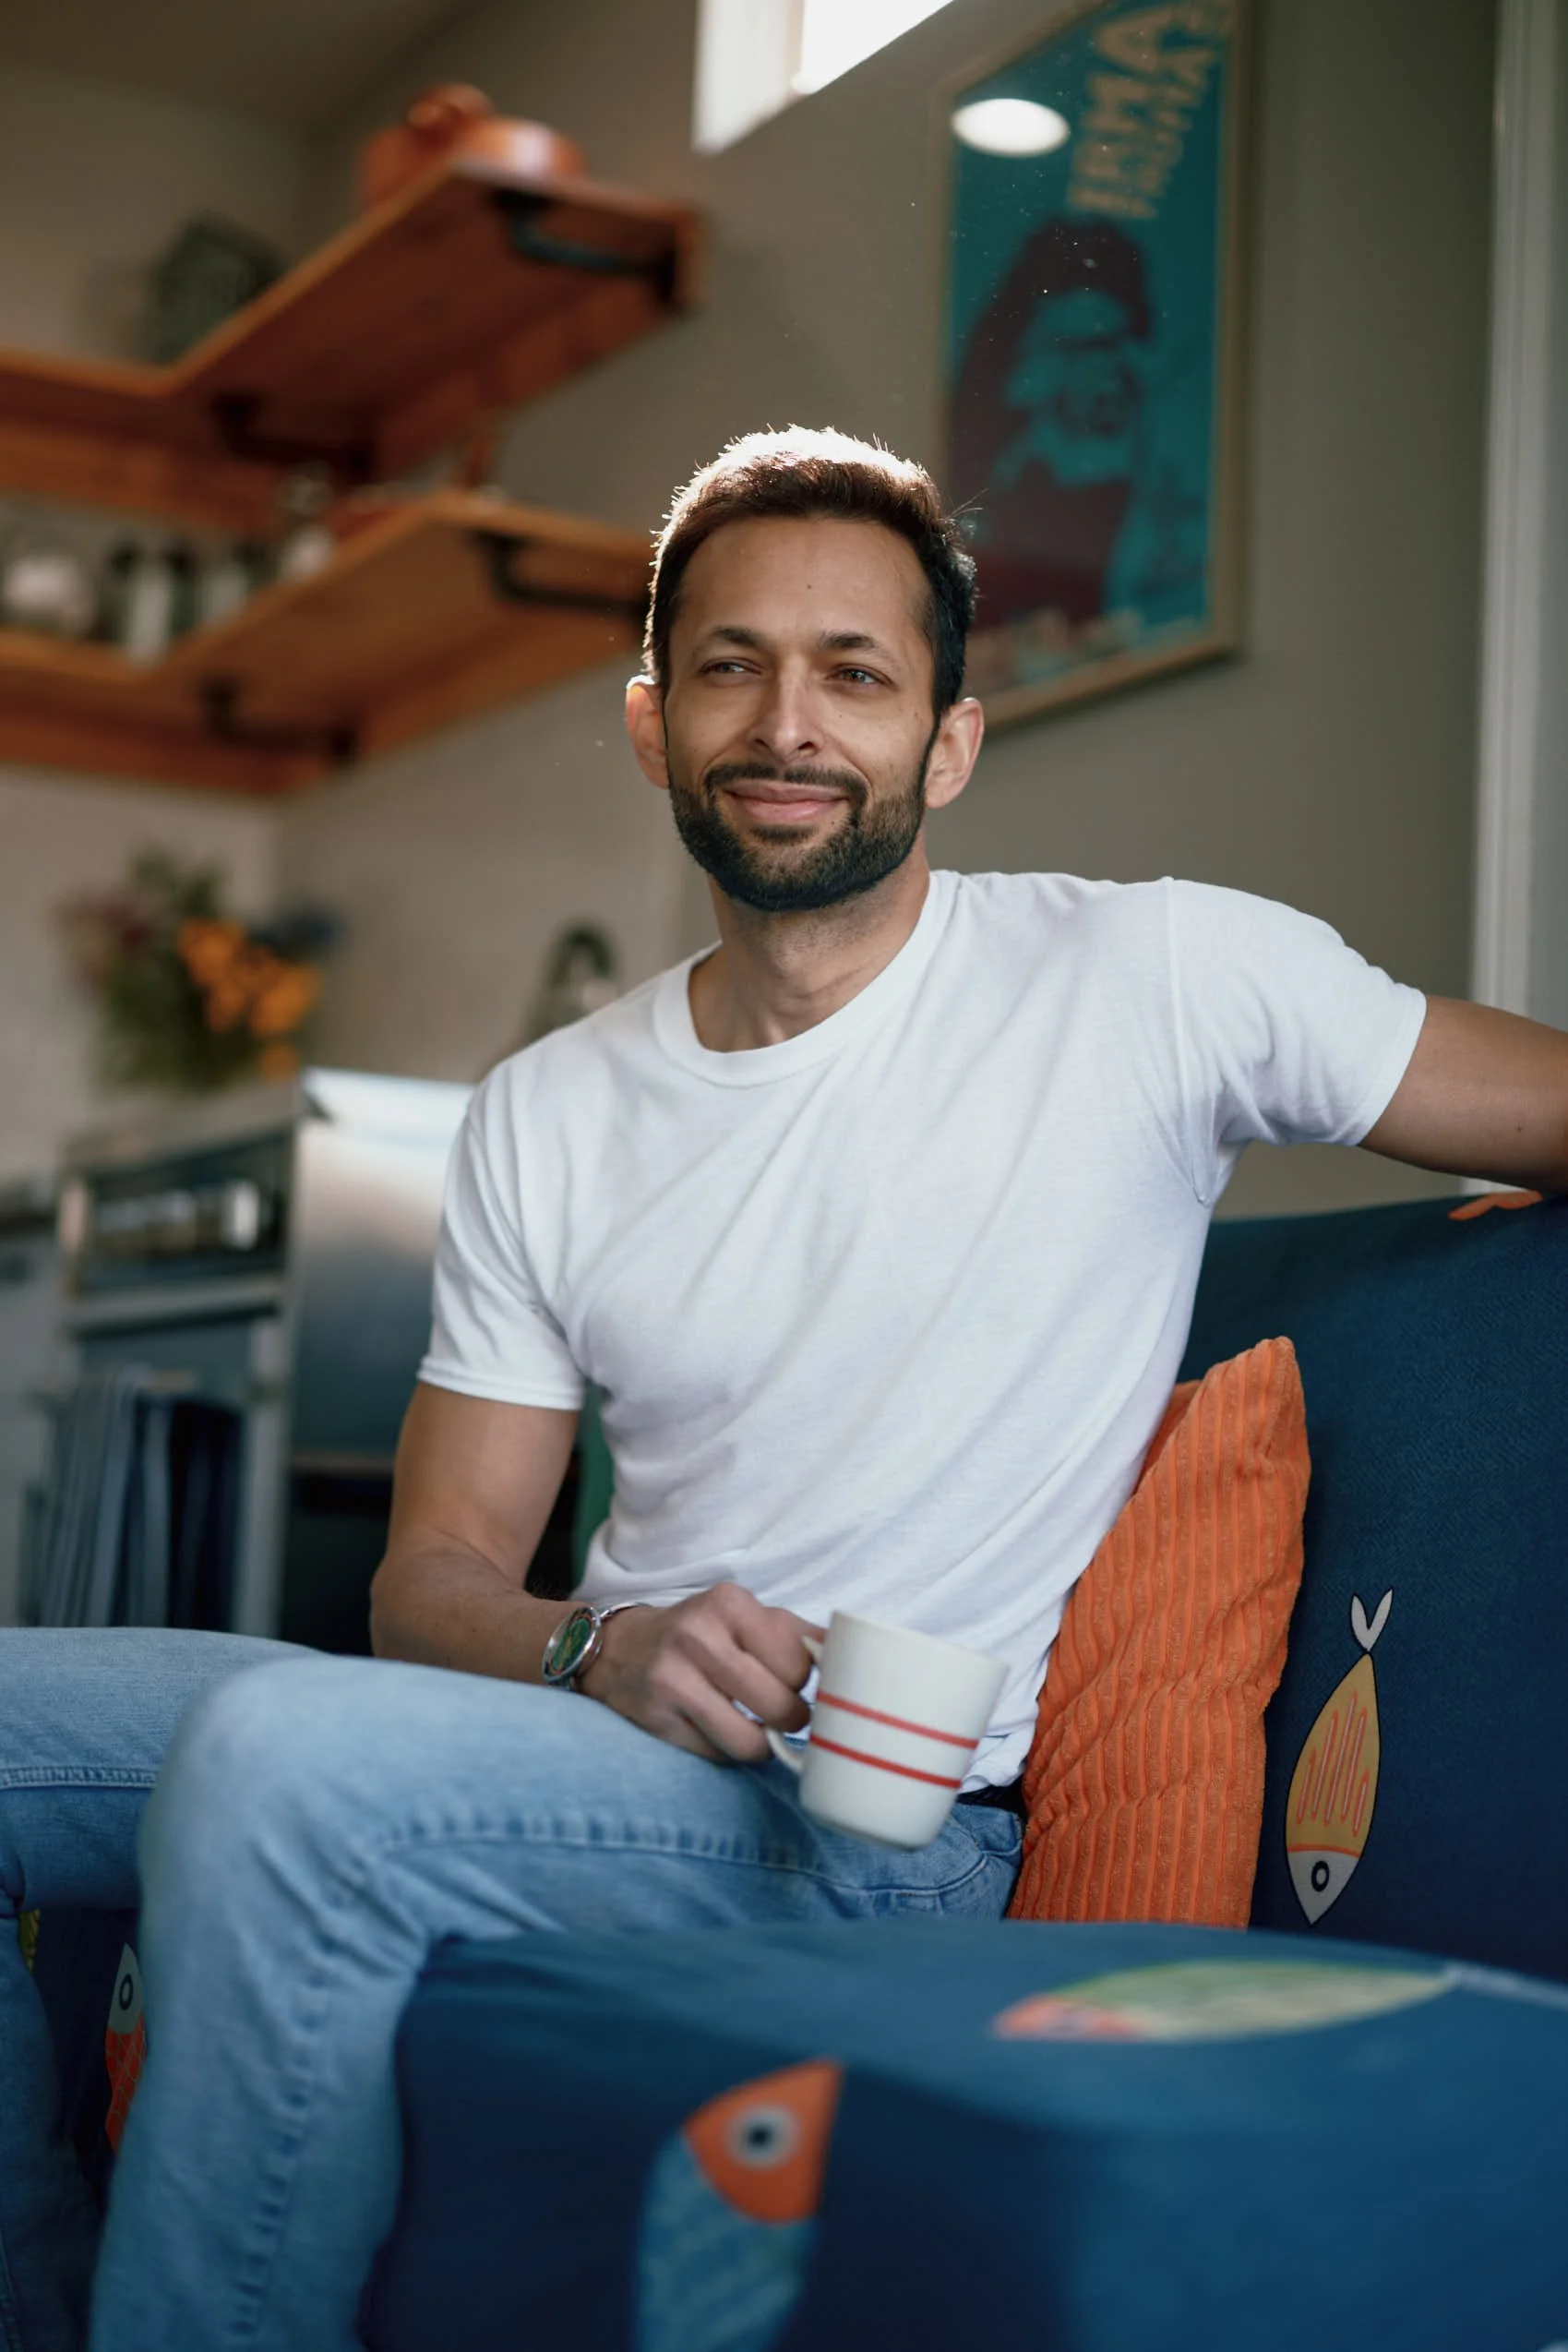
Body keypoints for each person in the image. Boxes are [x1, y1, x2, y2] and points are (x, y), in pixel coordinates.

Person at [2, 426, 1565, 2352]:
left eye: (855, 672)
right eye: (731, 665)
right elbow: (434, 1580)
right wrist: (601, 1648)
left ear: (951, 740)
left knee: (280, 1759)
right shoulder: (545, 1112)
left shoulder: (1157, 977)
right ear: (655, 725)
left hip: (883, 1830)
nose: (787, 721)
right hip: (593, 1748)